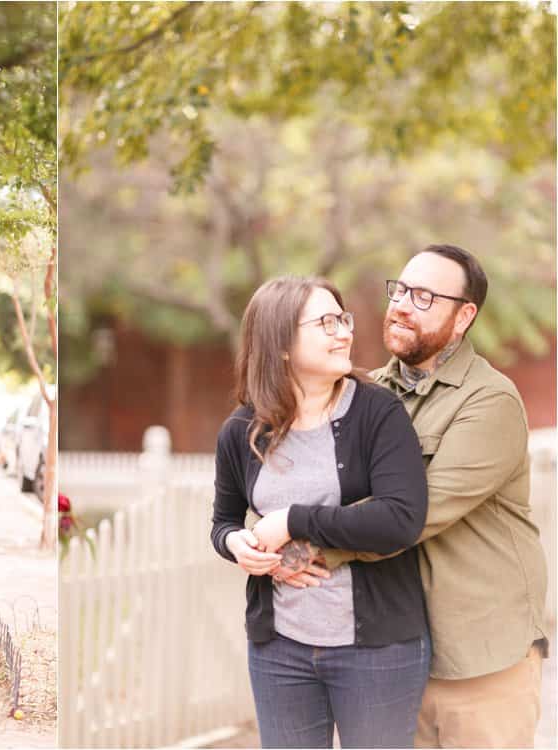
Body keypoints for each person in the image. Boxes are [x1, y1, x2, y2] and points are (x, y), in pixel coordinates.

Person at [289, 245, 549, 748]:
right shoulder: (363, 394)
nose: (403, 304)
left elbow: (416, 512)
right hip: (391, 654)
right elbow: (298, 470)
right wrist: (257, 528)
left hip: (480, 658)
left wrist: (301, 547)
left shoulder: (489, 400)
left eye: (425, 296)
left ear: (463, 317)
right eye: (401, 290)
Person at [210, 276, 431, 749]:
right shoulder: (241, 430)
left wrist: (293, 519)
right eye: (326, 322)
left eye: (343, 319)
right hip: (279, 649)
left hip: (377, 651)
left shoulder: (377, 413)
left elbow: (400, 520)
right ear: (281, 343)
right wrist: (237, 546)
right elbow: (223, 522)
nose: (344, 332)